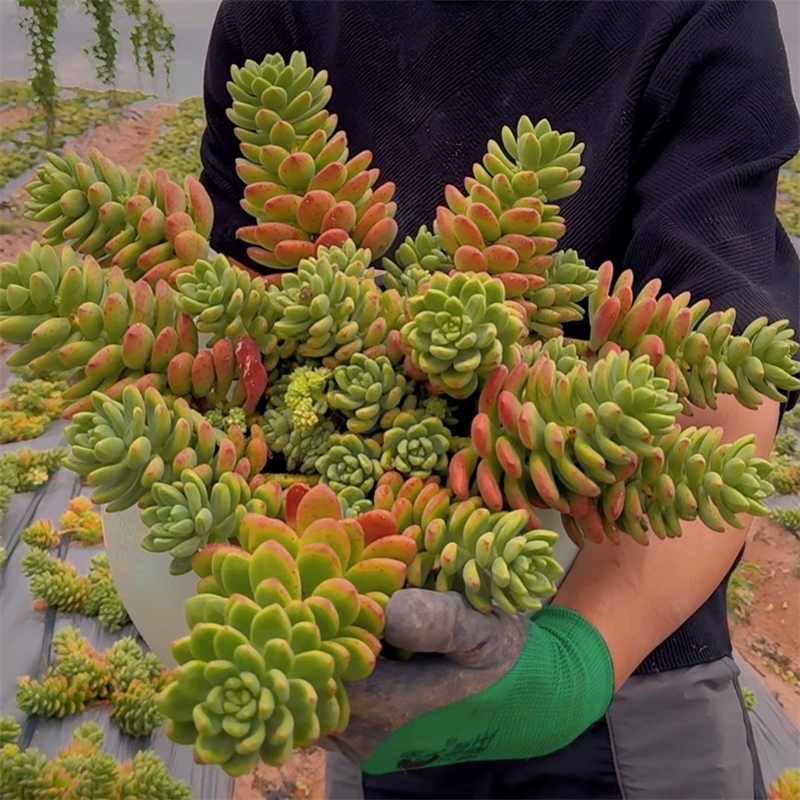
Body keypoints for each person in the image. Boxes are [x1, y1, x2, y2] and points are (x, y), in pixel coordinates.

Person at [199, 1, 800, 798]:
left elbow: (724, 385)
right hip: (380, 648)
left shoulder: (694, 14)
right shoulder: (278, 14)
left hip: (635, 671)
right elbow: (233, 321)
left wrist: (573, 667)